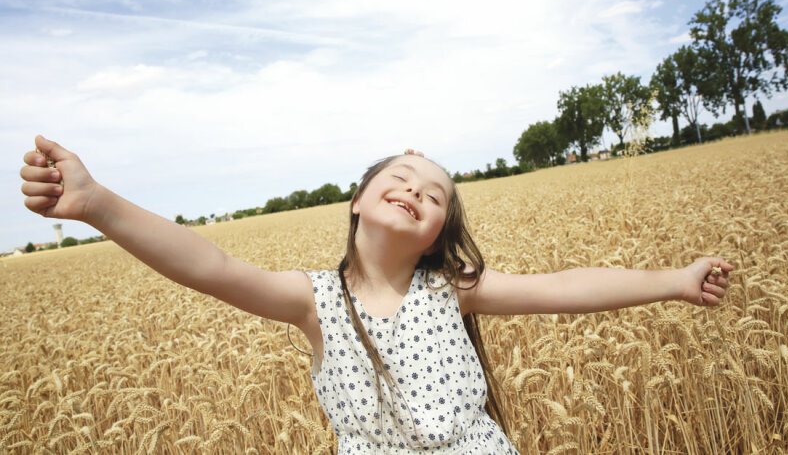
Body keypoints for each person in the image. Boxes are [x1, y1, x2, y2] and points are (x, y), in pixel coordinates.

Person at [19, 135, 732, 454]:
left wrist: (673, 281)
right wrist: (96, 204)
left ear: (434, 235)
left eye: (433, 196)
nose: (414, 190)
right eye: (400, 176)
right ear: (358, 199)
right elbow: (210, 260)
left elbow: (566, 286)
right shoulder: (314, 300)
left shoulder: (453, 290)